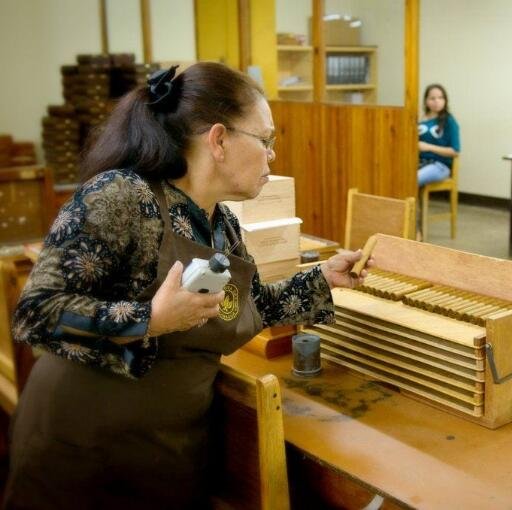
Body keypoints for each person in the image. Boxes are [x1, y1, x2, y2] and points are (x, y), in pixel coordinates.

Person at [5, 63, 370, 509]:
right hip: (82, 450)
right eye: (266, 140)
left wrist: (324, 279)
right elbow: (35, 314)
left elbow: (250, 306)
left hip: (165, 451)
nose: (272, 155)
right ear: (219, 140)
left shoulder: (222, 222)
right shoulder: (121, 196)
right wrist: (151, 320)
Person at [418, 83, 460, 187]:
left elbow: (455, 151)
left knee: (412, 179)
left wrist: (428, 147)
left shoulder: (449, 121)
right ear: (426, 101)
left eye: (441, 98)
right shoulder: (420, 120)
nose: (437, 101)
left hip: (440, 165)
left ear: (445, 101)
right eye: (432, 98)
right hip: (418, 162)